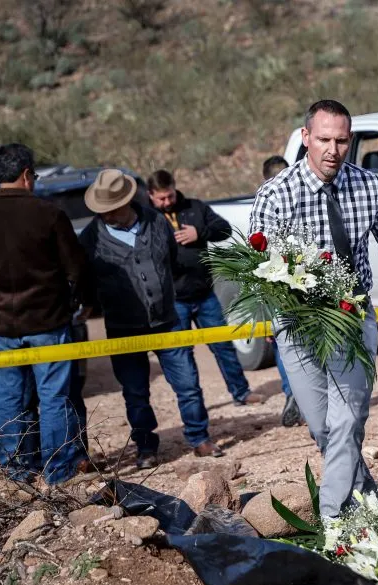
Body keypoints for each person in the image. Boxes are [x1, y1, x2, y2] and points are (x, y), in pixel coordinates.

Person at [252, 99, 378, 519]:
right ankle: (366, 495)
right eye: (324, 139)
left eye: (342, 141)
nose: (333, 150)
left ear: (351, 141)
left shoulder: (367, 186)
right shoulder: (275, 196)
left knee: (347, 421)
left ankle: (333, 516)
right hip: (299, 323)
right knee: (323, 427)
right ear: (306, 137)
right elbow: (260, 270)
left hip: (353, 315)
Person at [79, 169, 223, 469]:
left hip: (167, 321)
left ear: (127, 202)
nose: (105, 214)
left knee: (187, 383)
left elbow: (170, 259)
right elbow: (86, 282)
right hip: (122, 327)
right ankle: (146, 446)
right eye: (101, 210)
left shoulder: (155, 221)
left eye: (111, 209)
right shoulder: (90, 238)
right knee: (135, 392)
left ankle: (199, 437)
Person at [0, 143, 88, 485]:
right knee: (54, 398)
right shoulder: (48, 214)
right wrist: (81, 302)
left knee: (8, 398)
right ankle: (58, 471)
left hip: (2, 326)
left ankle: (16, 469)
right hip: (48, 322)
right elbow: (76, 268)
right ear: (25, 175)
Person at [147, 170, 266, 408]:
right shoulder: (147, 219)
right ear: (150, 196)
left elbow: (224, 229)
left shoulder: (195, 207)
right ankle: (193, 405)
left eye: (169, 196)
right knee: (182, 356)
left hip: (204, 293)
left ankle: (241, 392)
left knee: (223, 346)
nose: (166, 202)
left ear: (174, 188)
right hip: (173, 300)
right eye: (161, 198)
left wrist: (199, 233)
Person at [260, 156, 302, 428]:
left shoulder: (262, 208)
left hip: (290, 288)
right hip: (291, 288)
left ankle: (296, 394)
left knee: (287, 344)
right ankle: (298, 396)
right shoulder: (265, 212)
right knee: (290, 343)